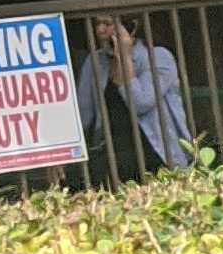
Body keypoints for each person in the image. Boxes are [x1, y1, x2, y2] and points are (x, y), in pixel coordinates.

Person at [77, 14, 194, 177]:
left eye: (107, 24)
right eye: (97, 24)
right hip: (110, 150)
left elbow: (140, 103)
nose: (99, 30)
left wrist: (124, 56)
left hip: (156, 151)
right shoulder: (95, 62)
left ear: (132, 27)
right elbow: (84, 115)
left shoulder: (158, 57)